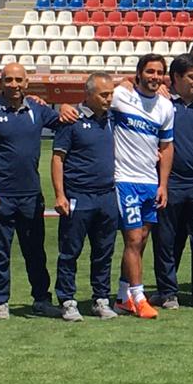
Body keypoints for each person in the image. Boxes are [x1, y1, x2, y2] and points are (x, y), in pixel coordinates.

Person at [0, 63, 64, 319]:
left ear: (27, 83)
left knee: (35, 250)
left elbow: (65, 123)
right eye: (8, 80)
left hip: (31, 195)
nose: (14, 84)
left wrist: (68, 108)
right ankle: (0, 301)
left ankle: (41, 300)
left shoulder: (37, 109)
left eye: (18, 80)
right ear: (1, 83)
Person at [151, 55, 193, 311]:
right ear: (176, 78)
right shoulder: (162, 103)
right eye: (192, 77)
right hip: (170, 183)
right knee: (166, 240)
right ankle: (167, 292)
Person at [111, 54, 174, 319]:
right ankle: (139, 297)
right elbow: (97, 92)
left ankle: (122, 296)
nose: (155, 77)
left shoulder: (165, 107)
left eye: (159, 73)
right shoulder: (121, 96)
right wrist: (123, 81)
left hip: (150, 182)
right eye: (150, 71)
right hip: (124, 179)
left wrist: (163, 185)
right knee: (133, 239)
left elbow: (167, 147)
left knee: (142, 240)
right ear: (139, 73)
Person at [52, 73, 120, 321]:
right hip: (79, 196)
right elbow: (58, 159)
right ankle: (67, 300)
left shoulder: (113, 118)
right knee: (70, 252)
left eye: (111, 94)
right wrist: (60, 195)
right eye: (103, 95)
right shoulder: (71, 121)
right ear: (88, 94)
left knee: (104, 252)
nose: (109, 99)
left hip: (107, 195)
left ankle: (100, 299)